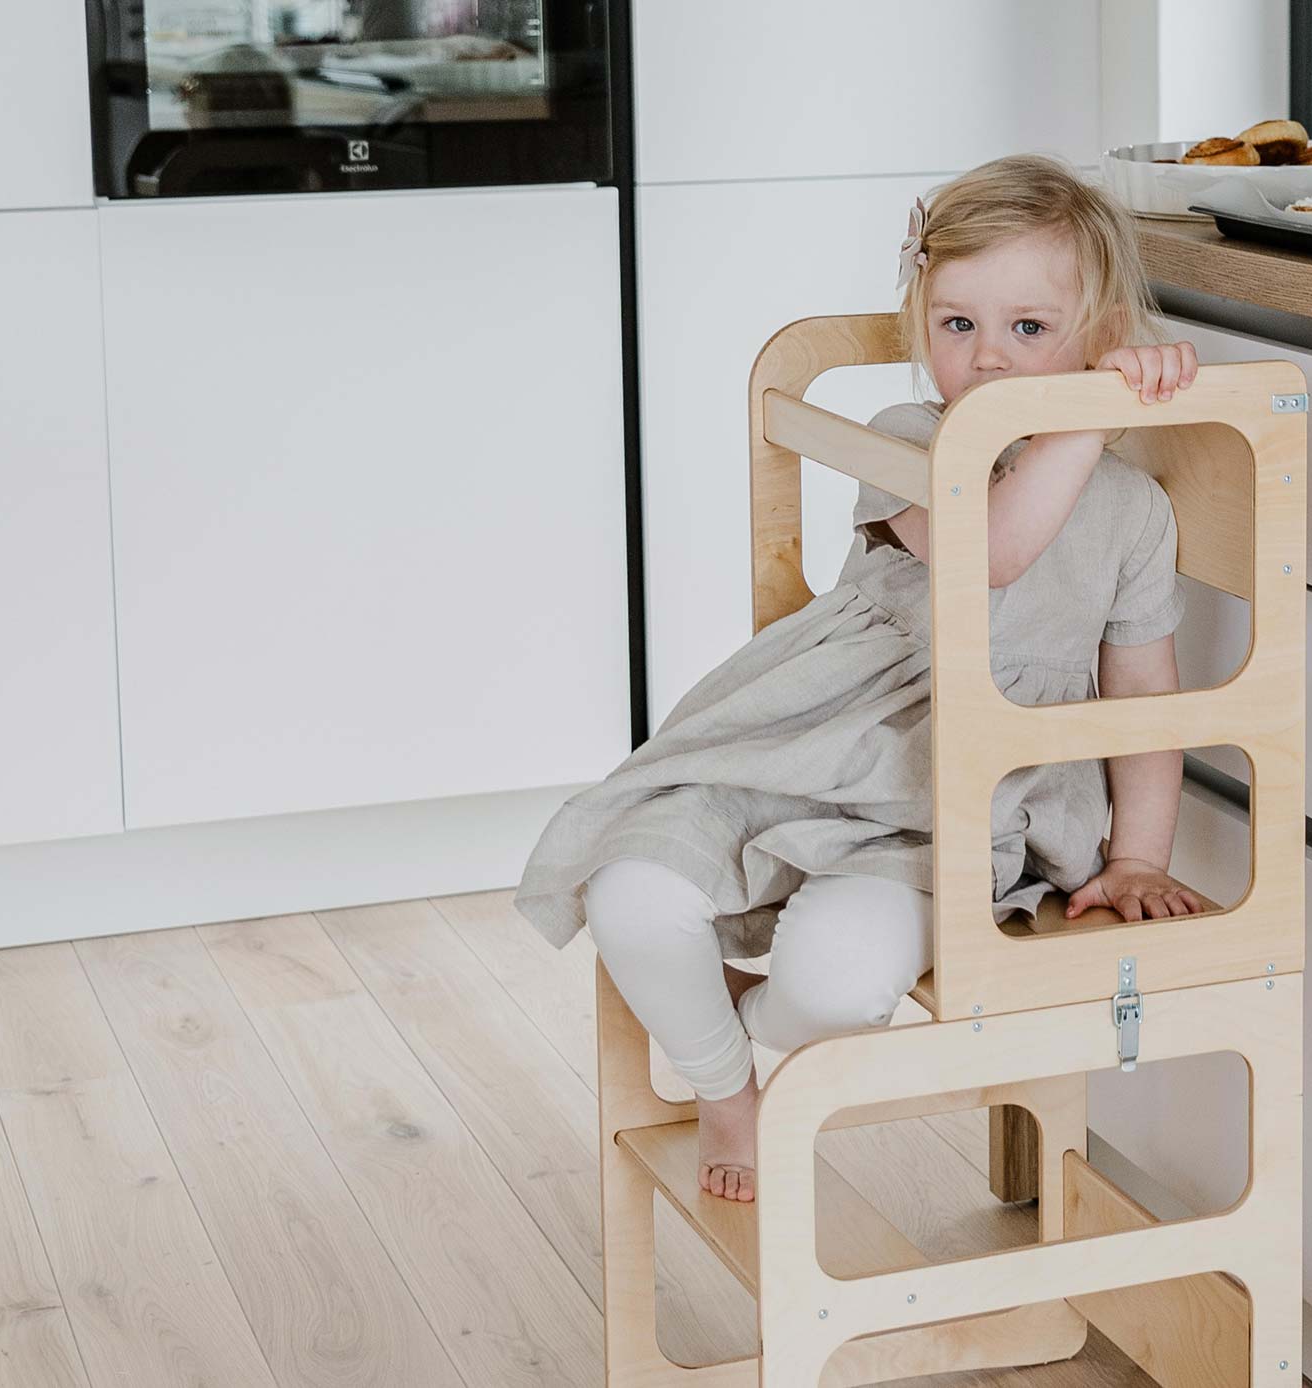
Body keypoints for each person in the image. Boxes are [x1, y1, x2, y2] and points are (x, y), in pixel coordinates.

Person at [513, 153, 1210, 1202]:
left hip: (951, 808)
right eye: (955, 323)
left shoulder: (1130, 509)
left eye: (1029, 328)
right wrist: (1086, 412)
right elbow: (994, 548)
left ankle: (735, 1042)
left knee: (837, 984)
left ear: (1104, 335)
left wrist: (1140, 852)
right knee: (632, 890)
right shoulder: (906, 441)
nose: (986, 359)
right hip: (817, 744)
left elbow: (1143, 694)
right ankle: (719, 1082)